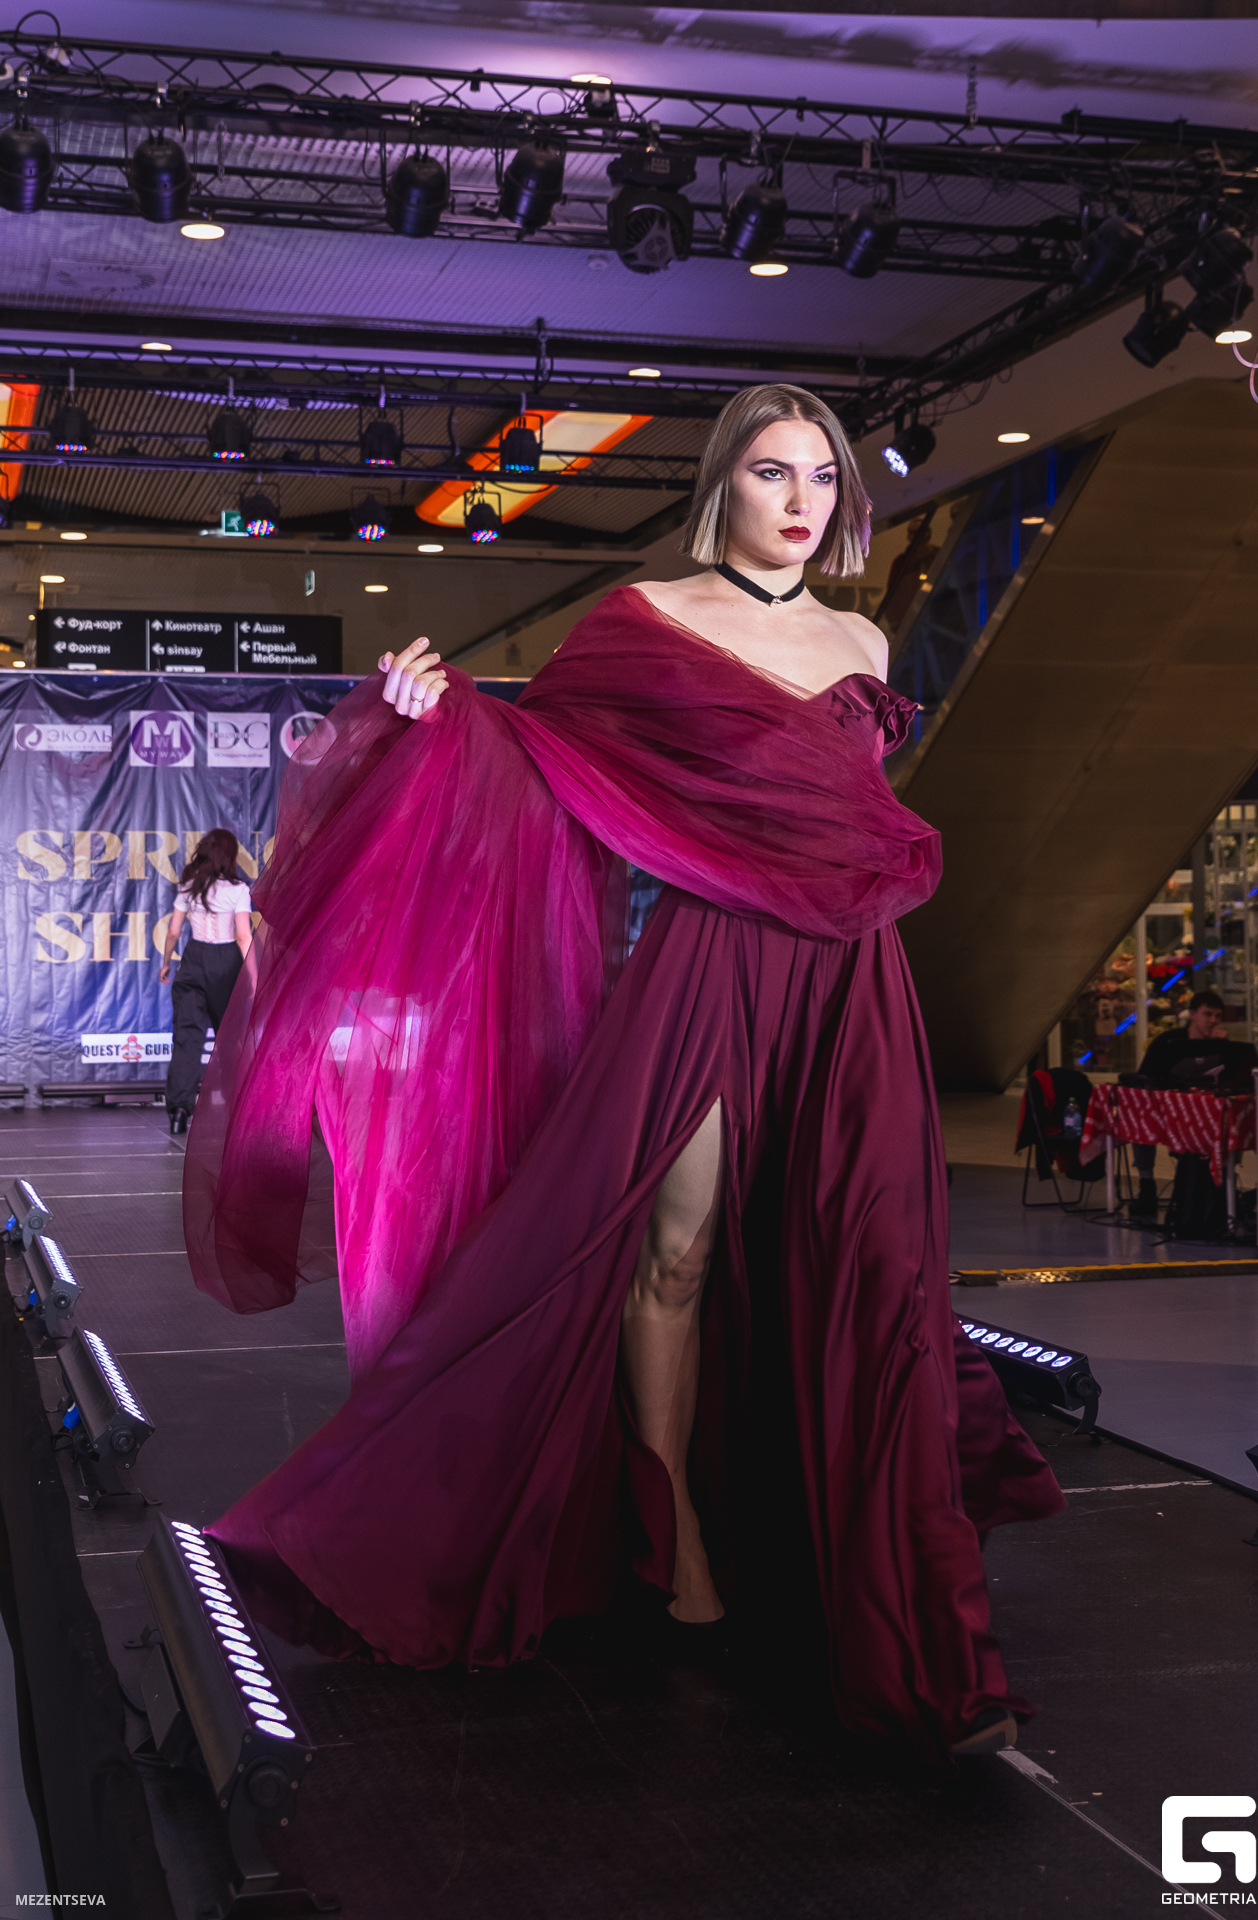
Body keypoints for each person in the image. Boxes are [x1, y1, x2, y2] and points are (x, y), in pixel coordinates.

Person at [183, 384, 1066, 1768]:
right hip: (711, 969)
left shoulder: (861, 639)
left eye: (820, 478)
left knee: (875, 1268)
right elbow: (536, 762)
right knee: (676, 1254)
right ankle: (681, 1539)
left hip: (853, 984)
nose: (799, 501)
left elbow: (844, 814)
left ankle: (896, 1609)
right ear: (723, 485)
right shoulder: (644, 621)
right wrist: (439, 717)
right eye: (771, 473)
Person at [1128, 990, 1258, 1219]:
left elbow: (1236, 1080)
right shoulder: (1168, 1042)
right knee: (1139, 1115)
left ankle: (1220, 1190)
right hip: (1167, 1109)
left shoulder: (1223, 1046)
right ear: (1192, 1015)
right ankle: (1147, 1186)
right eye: (1207, 1014)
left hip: (1206, 1111)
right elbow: (1145, 1077)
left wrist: (1223, 1046)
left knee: (1232, 1120)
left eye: (1217, 1016)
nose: (1213, 1021)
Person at [161, 828, 253, 1137]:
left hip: (194, 960)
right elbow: (243, 936)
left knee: (187, 1038)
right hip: (226, 963)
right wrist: (253, 976)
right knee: (230, 1040)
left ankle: (179, 1110)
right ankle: (236, 1110)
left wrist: (165, 963)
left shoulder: (189, 886)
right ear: (230, 856)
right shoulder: (238, 889)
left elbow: (173, 931)